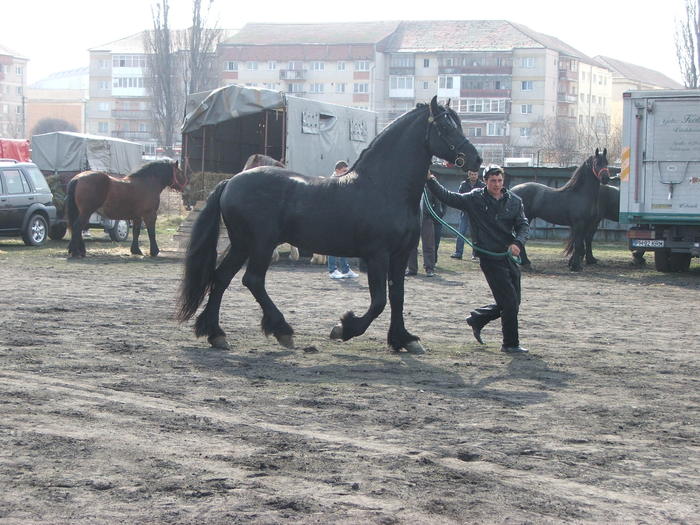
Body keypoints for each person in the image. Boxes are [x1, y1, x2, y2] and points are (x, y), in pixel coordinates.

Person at [426, 164, 530, 353]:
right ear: (485, 181)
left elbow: (523, 226)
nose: (497, 184)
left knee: (514, 302)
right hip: (489, 258)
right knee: (509, 302)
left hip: (508, 257)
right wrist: (430, 180)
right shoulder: (474, 199)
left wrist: (518, 243)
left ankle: (478, 318)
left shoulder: (515, 201)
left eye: (499, 181)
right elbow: (448, 197)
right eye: (493, 181)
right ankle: (510, 344)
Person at [327, 160, 359, 280]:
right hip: (333, 216)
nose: (347, 173)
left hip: (342, 216)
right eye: (344, 171)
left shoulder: (343, 181)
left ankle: (345, 269)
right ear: (337, 170)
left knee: (343, 244)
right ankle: (332, 269)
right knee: (333, 243)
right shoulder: (332, 181)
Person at [407, 189, 444, 277]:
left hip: (427, 219)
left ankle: (429, 268)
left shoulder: (430, 187)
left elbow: (438, 203)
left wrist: (433, 217)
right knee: (411, 245)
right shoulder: (412, 185)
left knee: (429, 245)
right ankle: (412, 269)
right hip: (413, 219)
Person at [451, 169, 485, 260]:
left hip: (476, 214)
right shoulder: (463, 184)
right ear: (469, 175)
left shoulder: (482, 185)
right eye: (472, 174)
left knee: (475, 234)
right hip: (465, 212)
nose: (474, 176)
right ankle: (458, 253)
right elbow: (459, 197)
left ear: (478, 175)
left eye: (475, 174)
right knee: (461, 232)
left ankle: (475, 254)